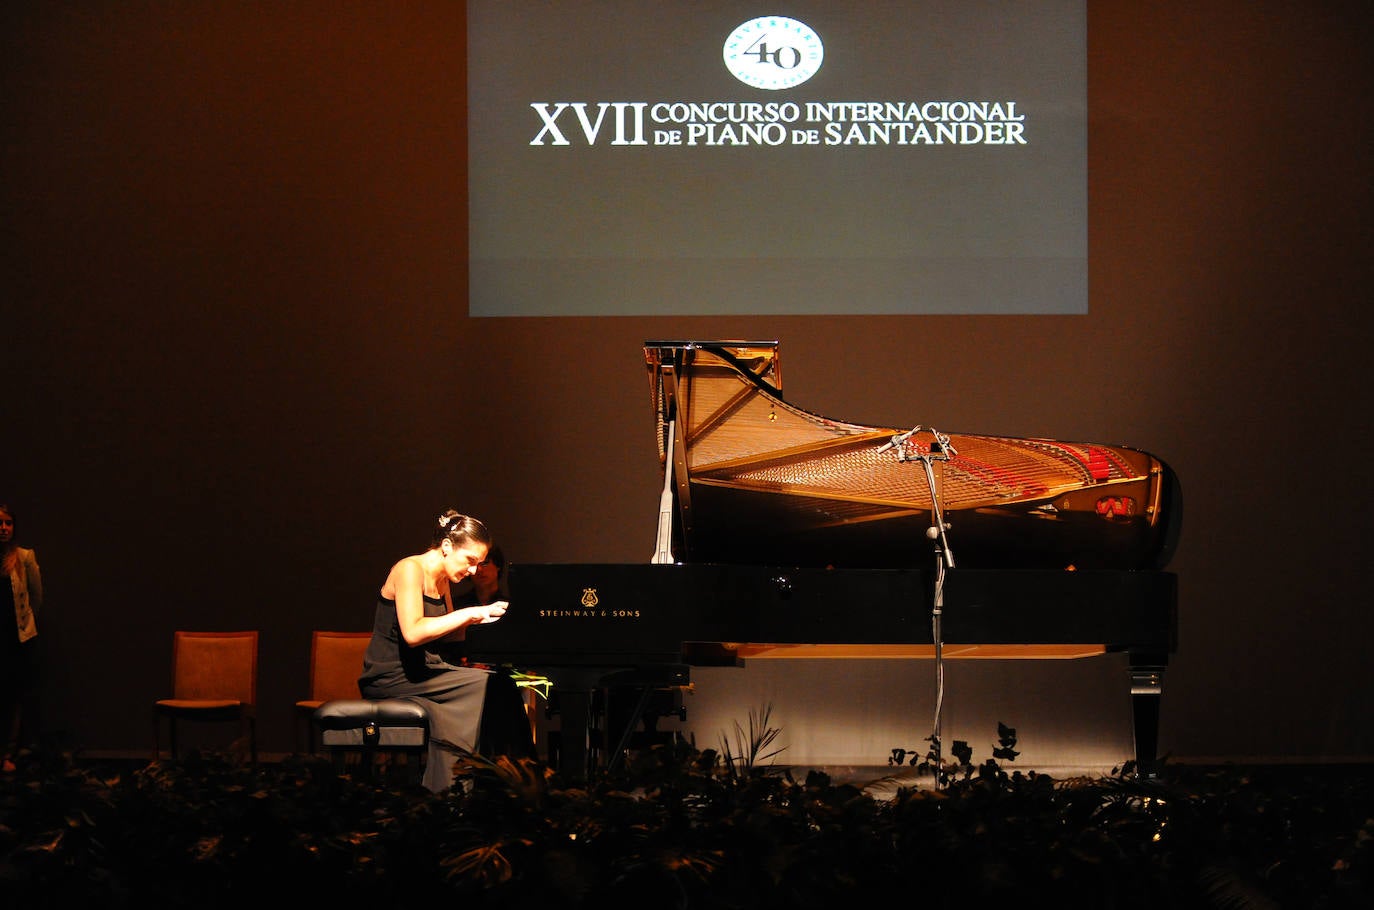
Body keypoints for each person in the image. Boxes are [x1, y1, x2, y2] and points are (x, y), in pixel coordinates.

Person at [358, 510, 533, 792]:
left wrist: (494, 622)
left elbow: (450, 636)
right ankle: (453, 791)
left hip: (427, 670)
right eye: (471, 561)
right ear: (448, 547)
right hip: (393, 675)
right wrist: (472, 613)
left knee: (503, 685)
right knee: (486, 688)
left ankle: (511, 786)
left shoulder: (443, 580)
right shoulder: (408, 569)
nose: (474, 571)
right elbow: (413, 633)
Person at [1, 502, 43, 771]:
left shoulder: (24, 558)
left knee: (14, 696)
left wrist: (25, 627)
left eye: (8, 523)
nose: (3, 528)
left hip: (15, 640)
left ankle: (8, 755)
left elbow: (36, 598)